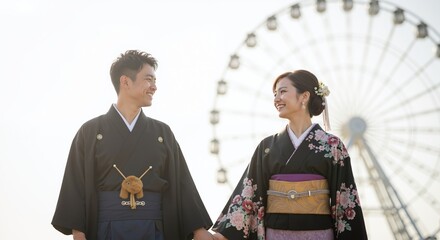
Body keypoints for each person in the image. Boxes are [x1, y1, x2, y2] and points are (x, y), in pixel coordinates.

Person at [52, 50, 213, 240]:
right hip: (106, 229)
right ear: (125, 82)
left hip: (155, 229)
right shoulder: (90, 132)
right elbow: (75, 184)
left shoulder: (162, 133)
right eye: (148, 79)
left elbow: (182, 183)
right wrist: (78, 232)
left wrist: (198, 229)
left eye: (155, 81)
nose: (154, 87)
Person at [211, 70, 368, 239]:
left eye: (283, 91)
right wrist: (223, 235)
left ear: (304, 96)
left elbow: (345, 200)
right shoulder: (266, 147)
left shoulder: (333, 147)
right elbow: (248, 193)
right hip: (275, 235)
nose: (276, 99)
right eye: (275, 94)